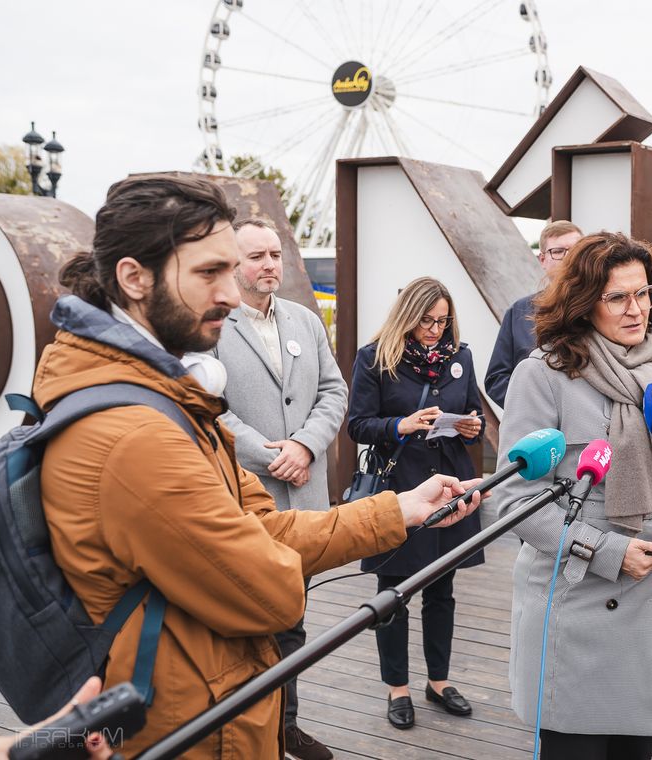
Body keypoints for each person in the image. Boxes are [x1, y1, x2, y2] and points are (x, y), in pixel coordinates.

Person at [37, 174, 482, 759]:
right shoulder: (137, 432)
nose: (230, 292)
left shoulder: (167, 402)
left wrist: (400, 507)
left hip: (216, 708)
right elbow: (267, 591)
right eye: (208, 272)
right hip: (186, 727)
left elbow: (263, 530)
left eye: (235, 268)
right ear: (132, 277)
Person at [492, 232, 652, 760]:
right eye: (618, 297)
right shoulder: (541, 374)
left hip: (649, 597)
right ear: (584, 300)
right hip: (576, 604)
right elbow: (516, 502)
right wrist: (610, 552)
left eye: (645, 293)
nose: (637, 310)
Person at [212, 218, 348, 760]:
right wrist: (271, 453)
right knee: (256, 622)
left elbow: (334, 390)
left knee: (293, 617)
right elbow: (209, 410)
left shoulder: (304, 321)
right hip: (248, 498)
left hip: (306, 497)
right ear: (233, 264)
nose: (271, 264)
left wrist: (307, 446)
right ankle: (256, 731)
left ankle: (286, 725)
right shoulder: (213, 328)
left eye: (275, 254)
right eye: (257, 256)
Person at [347, 276, 485, 730]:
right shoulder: (374, 358)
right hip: (400, 488)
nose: (435, 330)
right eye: (427, 320)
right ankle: (398, 688)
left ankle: (439, 681)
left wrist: (472, 427)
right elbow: (359, 425)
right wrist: (401, 425)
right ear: (408, 315)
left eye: (443, 322)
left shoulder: (460, 357)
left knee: (442, 589)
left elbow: (475, 412)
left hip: (450, 485)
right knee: (393, 593)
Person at [485, 220, 583, 407]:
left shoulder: (600, 307)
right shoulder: (519, 312)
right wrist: (531, 408)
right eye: (559, 251)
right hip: (537, 429)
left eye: (576, 250)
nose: (569, 258)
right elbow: (496, 379)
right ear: (543, 260)